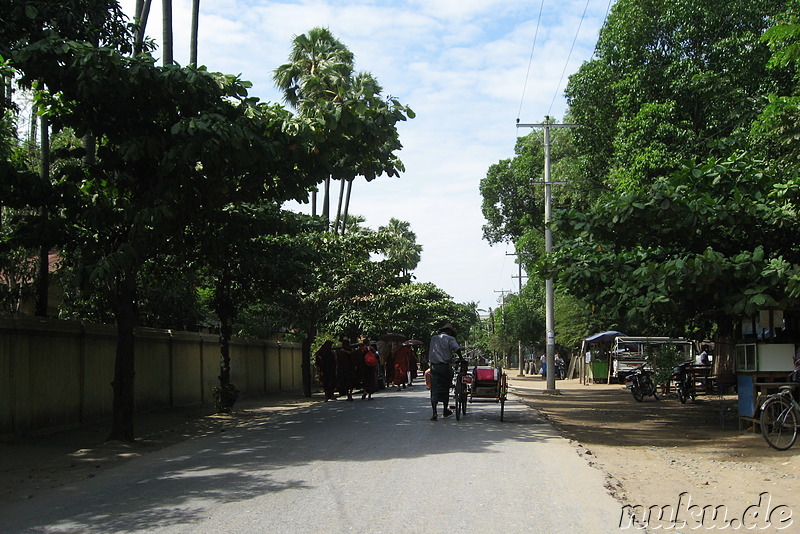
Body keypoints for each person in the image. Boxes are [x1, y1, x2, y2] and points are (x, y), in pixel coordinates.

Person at [427, 323, 462, 421]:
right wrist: (461, 358)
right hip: (444, 367)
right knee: (445, 388)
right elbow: (457, 349)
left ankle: (434, 413)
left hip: (434, 367)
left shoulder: (433, 338)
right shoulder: (450, 339)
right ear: (449, 331)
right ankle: (444, 410)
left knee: (434, 390)